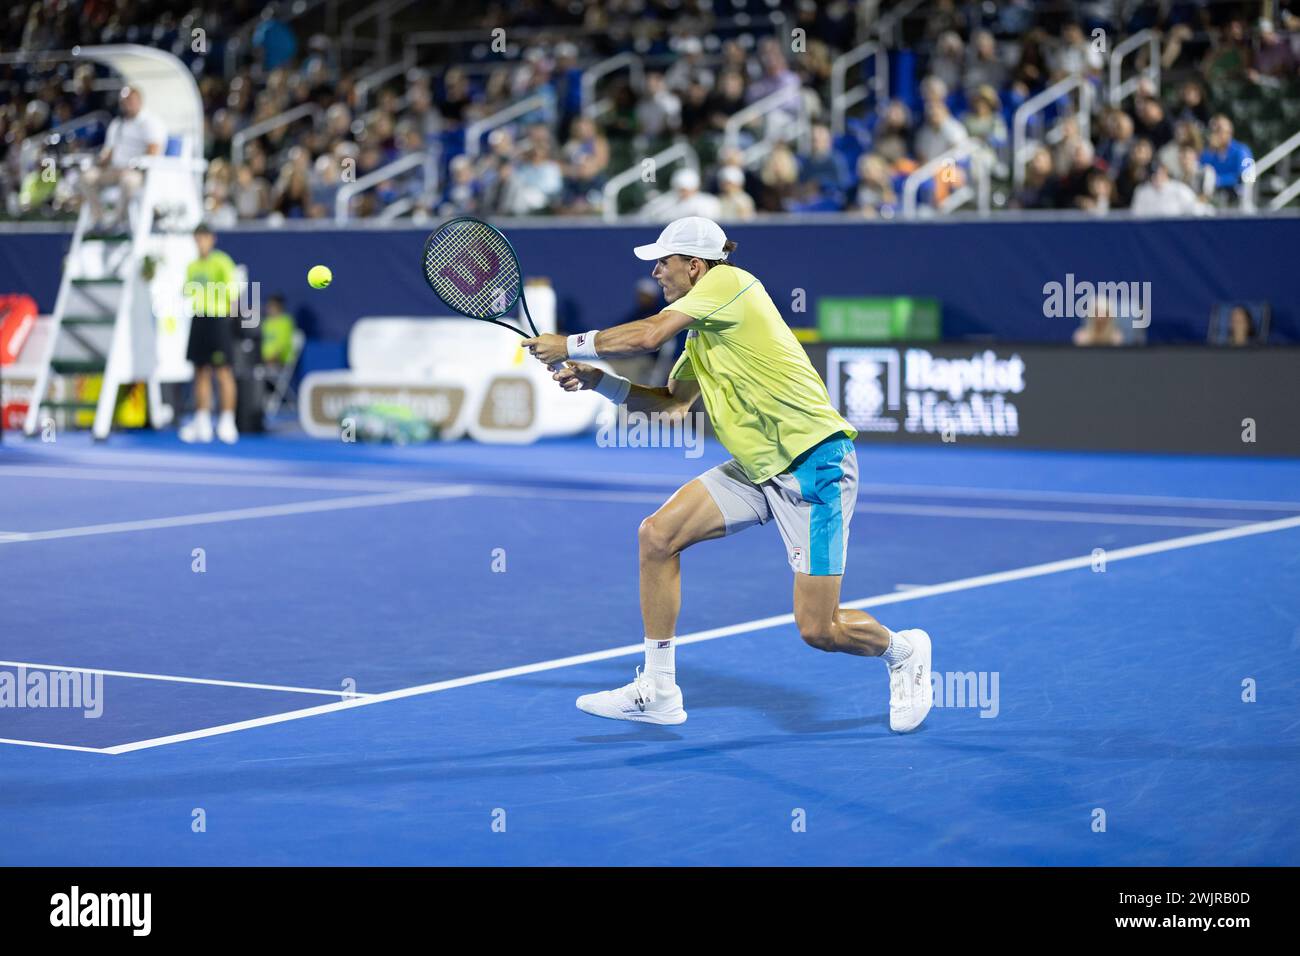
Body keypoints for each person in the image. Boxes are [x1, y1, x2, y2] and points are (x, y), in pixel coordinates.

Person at [520, 217, 933, 732]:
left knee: (819, 630)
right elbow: (671, 404)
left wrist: (572, 344)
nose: (656, 271)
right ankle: (660, 690)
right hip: (757, 468)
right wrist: (600, 382)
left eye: (664, 262)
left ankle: (903, 650)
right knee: (657, 535)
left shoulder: (730, 283)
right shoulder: (702, 332)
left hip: (813, 465)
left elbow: (648, 335)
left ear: (695, 266)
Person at [180, 224, 240, 444]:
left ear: (212, 239)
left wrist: (232, 323)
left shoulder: (222, 261)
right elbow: (188, 292)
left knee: (223, 373)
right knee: (201, 372)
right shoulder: (192, 267)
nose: (201, 242)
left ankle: (227, 422)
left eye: (204, 238)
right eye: (197, 238)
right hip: (199, 319)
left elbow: (233, 295)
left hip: (219, 321)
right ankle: (202, 422)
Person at [79, 86, 165, 231]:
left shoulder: (150, 122)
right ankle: (100, 219)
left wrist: (134, 166)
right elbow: (108, 153)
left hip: (138, 172)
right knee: (86, 178)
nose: (126, 104)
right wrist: (96, 162)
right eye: (123, 101)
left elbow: (153, 151)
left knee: (128, 181)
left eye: (130, 100)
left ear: (139, 101)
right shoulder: (117, 124)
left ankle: (117, 222)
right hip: (114, 170)